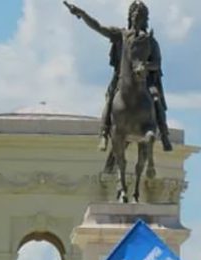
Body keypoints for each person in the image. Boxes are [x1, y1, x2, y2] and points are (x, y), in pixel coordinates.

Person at [63, 0, 173, 151]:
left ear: (145, 19)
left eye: (140, 15)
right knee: (111, 97)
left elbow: (157, 63)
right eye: (134, 15)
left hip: (144, 79)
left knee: (155, 97)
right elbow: (99, 27)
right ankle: (104, 132)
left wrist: (145, 66)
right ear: (130, 17)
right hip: (123, 78)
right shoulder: (121, 35)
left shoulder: (150, 41)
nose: (137, 18)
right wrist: (82, 14)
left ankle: (164, 133)